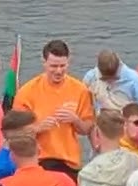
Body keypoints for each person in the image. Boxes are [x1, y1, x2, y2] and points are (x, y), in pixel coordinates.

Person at [12, 39, 95, 178]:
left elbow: (87, 128)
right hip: (38, 161)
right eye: (53, 66)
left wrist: (75, 120)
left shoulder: (80, 89)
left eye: (63, 65)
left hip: (69, 163)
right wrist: (38, 128)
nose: (59, 71)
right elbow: (15, 132)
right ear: (44, 62)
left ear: (69, 61)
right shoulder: (27, 92)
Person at [84, 49, 138, 116]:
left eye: (113, 78)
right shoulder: (91, 78)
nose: (109, 82)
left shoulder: (135, 81)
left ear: (119, 67)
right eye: (105, 79)